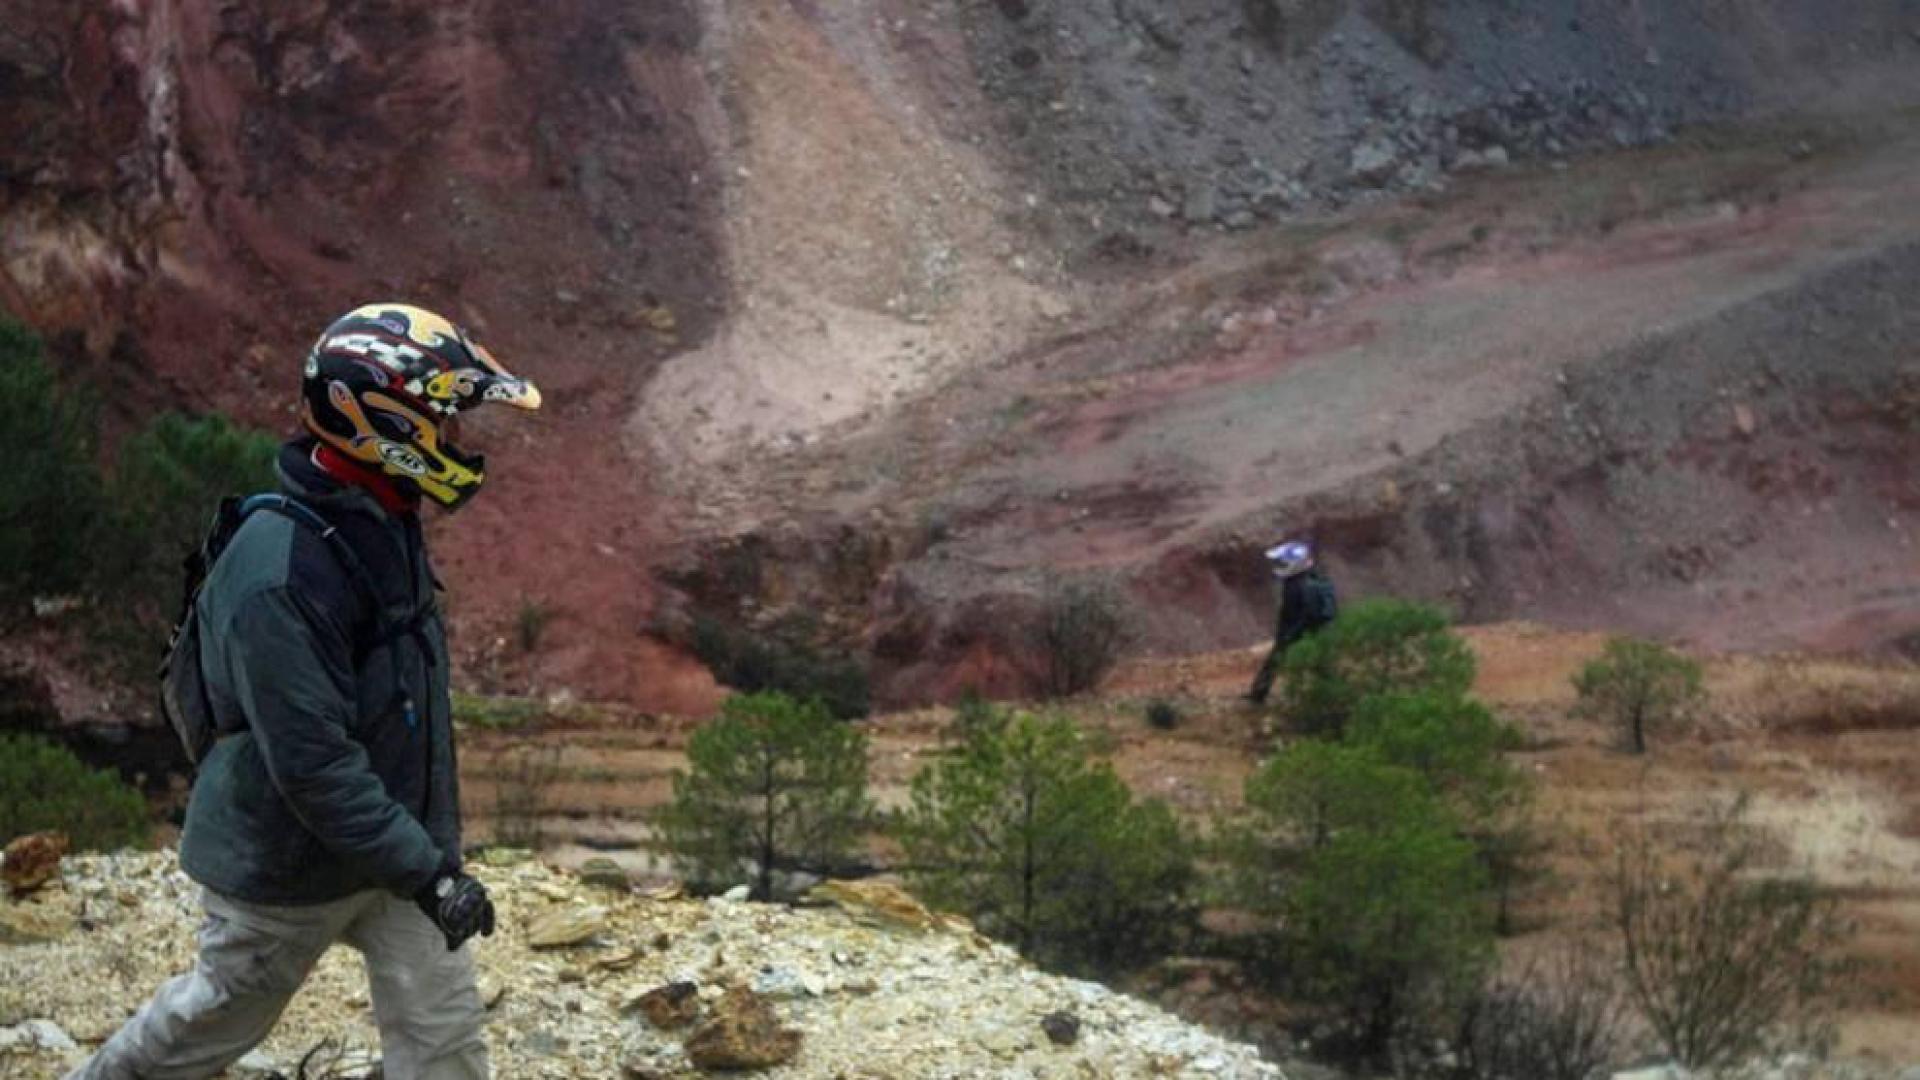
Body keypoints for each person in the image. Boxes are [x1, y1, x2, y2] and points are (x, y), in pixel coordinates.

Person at [70, 303, 542, 1080]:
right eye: (446, 423)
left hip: (398, 850)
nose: (459, 442)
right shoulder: (282, 573)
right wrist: (432, 873)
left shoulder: (382, 515)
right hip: (287, 862)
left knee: (446, 1043)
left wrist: (424, 860)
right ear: (387, 423)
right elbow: (312, 762)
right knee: (213, 1022)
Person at [1246, 539, 1337, 705]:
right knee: (1316, 663)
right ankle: (1330, 693)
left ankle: (1258, 695)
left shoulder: (1300, 585)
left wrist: (1290, 634)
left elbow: (1305, 614)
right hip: (1307, 630)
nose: (1279, 565)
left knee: (1285, 659)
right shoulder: (1303, 580)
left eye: (1283, 562)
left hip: (1303, 630)